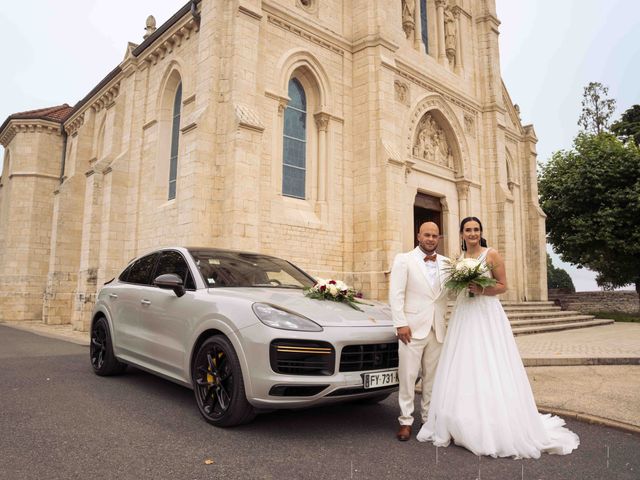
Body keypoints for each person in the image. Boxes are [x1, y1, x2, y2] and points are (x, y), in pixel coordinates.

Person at [416, 217, 580, 458]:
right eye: (468, 230)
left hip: (486, 314)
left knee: (489, 360)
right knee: (463, 363)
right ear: (461, 234)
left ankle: (494, 421)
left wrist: (481, 289)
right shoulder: (458, 260)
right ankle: (459, 418)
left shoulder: (491, 254)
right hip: (464, 315)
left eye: (476, 230)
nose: (472, 233)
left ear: (481, 232)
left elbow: (503, 286)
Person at [389, 222, 449, 441]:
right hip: (411, 329)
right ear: (418, 236)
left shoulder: (447, 263)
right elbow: (396, 294)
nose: (431, 239)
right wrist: (400, 323)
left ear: (438, 238)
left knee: (432, 378)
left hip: (437, 328)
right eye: (427, 235)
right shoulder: (404, 260)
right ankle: (405, 421)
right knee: (407, 376)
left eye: (434, 235)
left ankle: (427, 420)